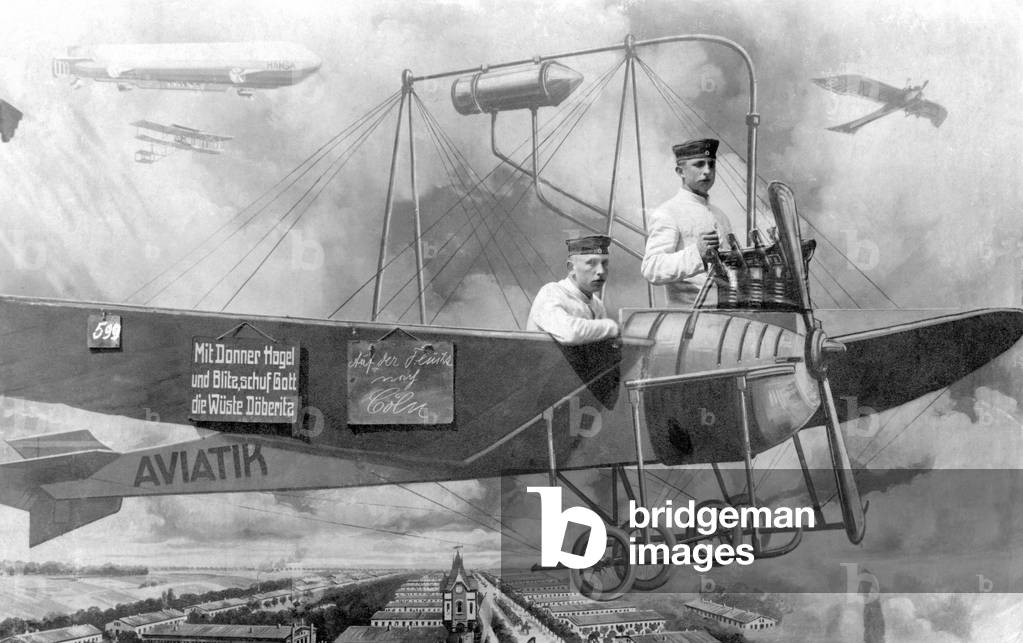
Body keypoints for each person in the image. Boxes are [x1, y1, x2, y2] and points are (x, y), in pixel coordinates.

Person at [641, 137, 734, 307]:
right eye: (699, 164)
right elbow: (651, 268)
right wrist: (697, 253)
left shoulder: (720, 216)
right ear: (680, 172)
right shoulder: (668, 212)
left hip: (727, 314)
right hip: (688, 318)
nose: (707, 171)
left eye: (711, 164)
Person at [527, 235, 620, 345]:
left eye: (604, 263)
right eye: (591, 263)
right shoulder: (551, 293)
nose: (601, 271)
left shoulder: (597, 305)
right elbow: (570, 333)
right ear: (571, 268)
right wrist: (612, 327)